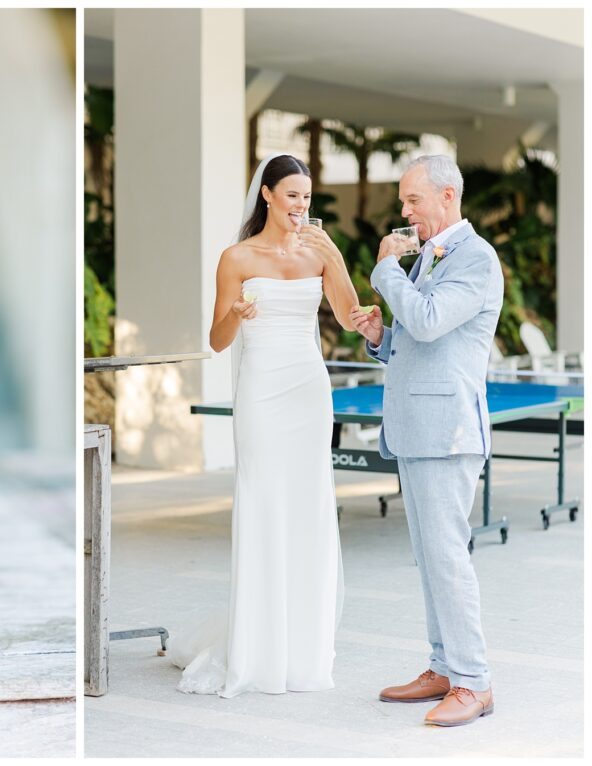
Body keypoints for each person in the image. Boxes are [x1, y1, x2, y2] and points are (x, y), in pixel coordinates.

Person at [171, 153, 358, 696]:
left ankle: (302, 645)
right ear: (268, 195)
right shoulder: (236, 257)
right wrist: (237, 315)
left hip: (307, 388)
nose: (302, 205)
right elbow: (217, 339)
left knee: (308, 505)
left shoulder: (320, 251)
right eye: (293, 195)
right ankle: (256, 646)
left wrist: (342, 268)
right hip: (260, 390)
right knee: (262, 502)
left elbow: (348, 317)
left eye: (307, 197)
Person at [349, 155, 502, 727]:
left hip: (448, 431)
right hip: (415, 427)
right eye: (404, 202)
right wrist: (379, 336)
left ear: (447, 196)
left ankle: (474, 682)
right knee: (429, 557)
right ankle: (443, 667)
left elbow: (433, 319)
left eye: (413, 201)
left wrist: (386, 269)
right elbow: (418, 337)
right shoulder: (432, 256)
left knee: (447, 556)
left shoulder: (477, 259)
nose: (405, 213)